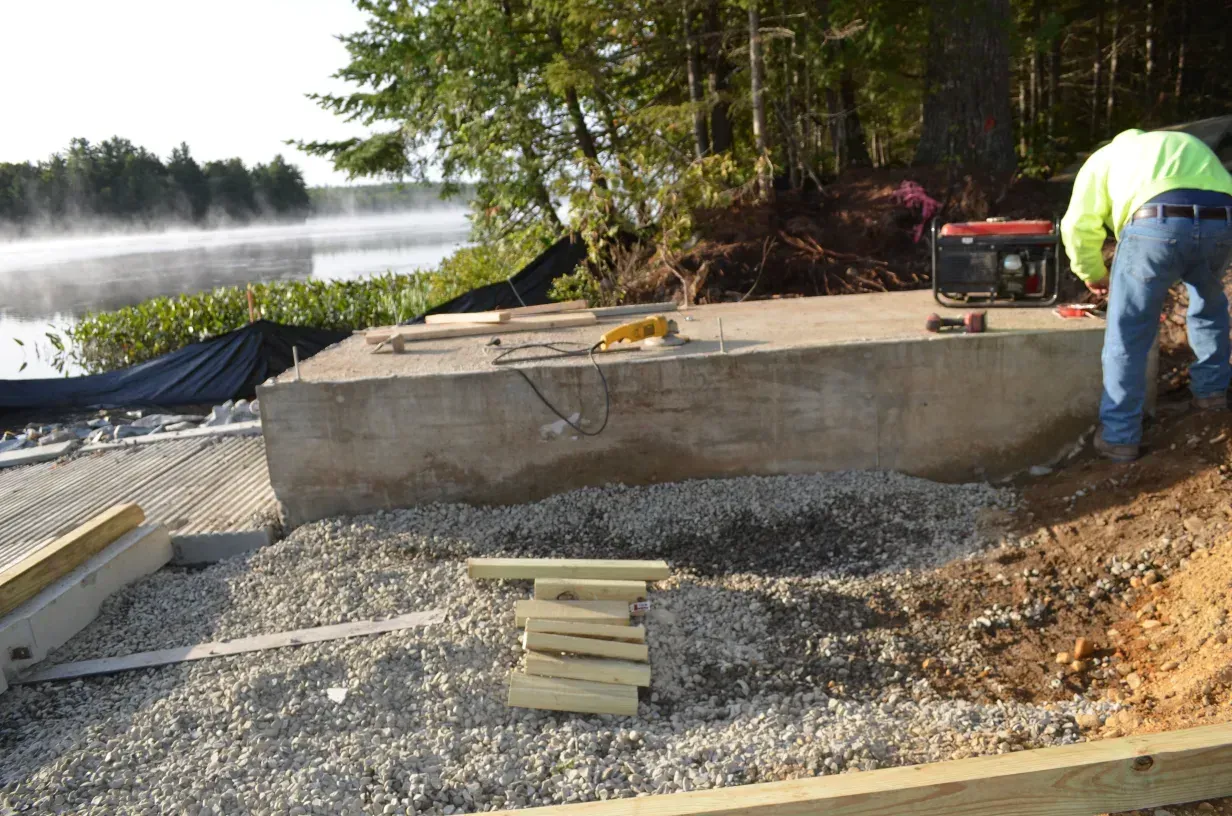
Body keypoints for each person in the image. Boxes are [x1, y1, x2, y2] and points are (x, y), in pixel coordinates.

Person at [1061, 128, 1232, 462]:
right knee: (1208, 305)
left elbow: (1077, 226)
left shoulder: (1104, 159)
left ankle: (1119, 436)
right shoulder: (1188, 142)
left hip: (1155, 223)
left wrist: (1093, 274)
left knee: (1129, 331)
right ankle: (1211, 396)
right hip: (1222, 220)